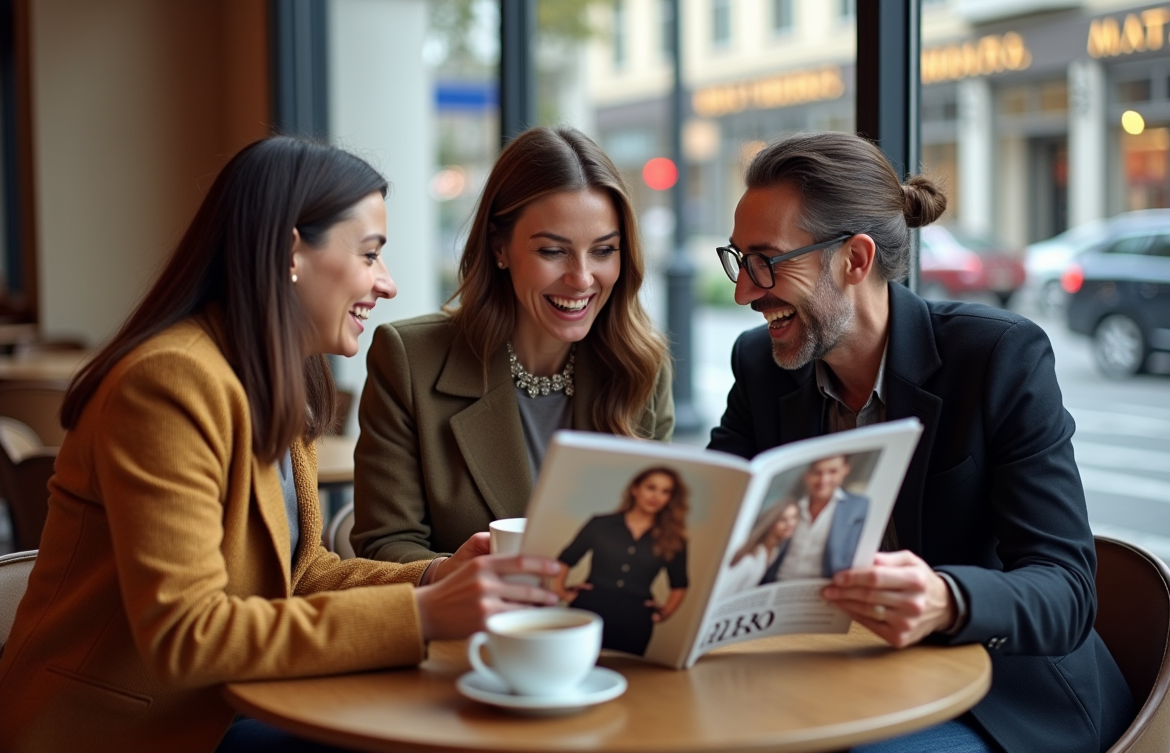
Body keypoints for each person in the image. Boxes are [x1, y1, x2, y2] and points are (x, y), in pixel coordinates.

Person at [0, 137, 561, 753]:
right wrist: (427, 616)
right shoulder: (168, 382)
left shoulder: (272, 378)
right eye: (371, 255)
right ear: (290, 250)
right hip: (120, 732)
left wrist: (435, 578)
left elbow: (303, 573)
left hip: (222, 709)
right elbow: (185, 633)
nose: (388, 284)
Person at [708, 132, 1134, 753]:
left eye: (766, 260)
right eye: (738, 259)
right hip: (828, 674)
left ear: (855, 259)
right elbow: (716, 517)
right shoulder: (762, 366)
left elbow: (1066, 591)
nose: (745, 290)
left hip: (997, 696)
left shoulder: (996, 357)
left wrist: (947, 598)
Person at [352, 126, 673, 567]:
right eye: (552, 252)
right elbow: (382, 545)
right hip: (473, 632)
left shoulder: (640, 366)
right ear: (500, 247)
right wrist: (451, 574)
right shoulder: (409, 360)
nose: (581, 278)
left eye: (603, 251)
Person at [552, 467, 690, 656]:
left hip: (634, 622)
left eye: (665, 492)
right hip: (587, 611)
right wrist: (561, 591)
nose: (656, 496)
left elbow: (679, 584)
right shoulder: (600, 524)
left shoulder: (674, 539)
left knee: (624, 676)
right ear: (635, 489)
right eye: (651, 487)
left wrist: (664, 613)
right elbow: (566, 559)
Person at [760, 454, 868, 582]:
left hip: (824, 588)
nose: (823, 480)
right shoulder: (789, 507)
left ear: (845, 470)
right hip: (778, 582)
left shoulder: (859, 506)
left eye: (832, 471)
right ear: (806, 475)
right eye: (817, 472)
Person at [717, 499, 799, 599]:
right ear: (771, 522)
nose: (791, 524)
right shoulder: (750, 558)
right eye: (783, 520)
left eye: (794, 517)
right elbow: (722, 592)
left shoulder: (775, 552)